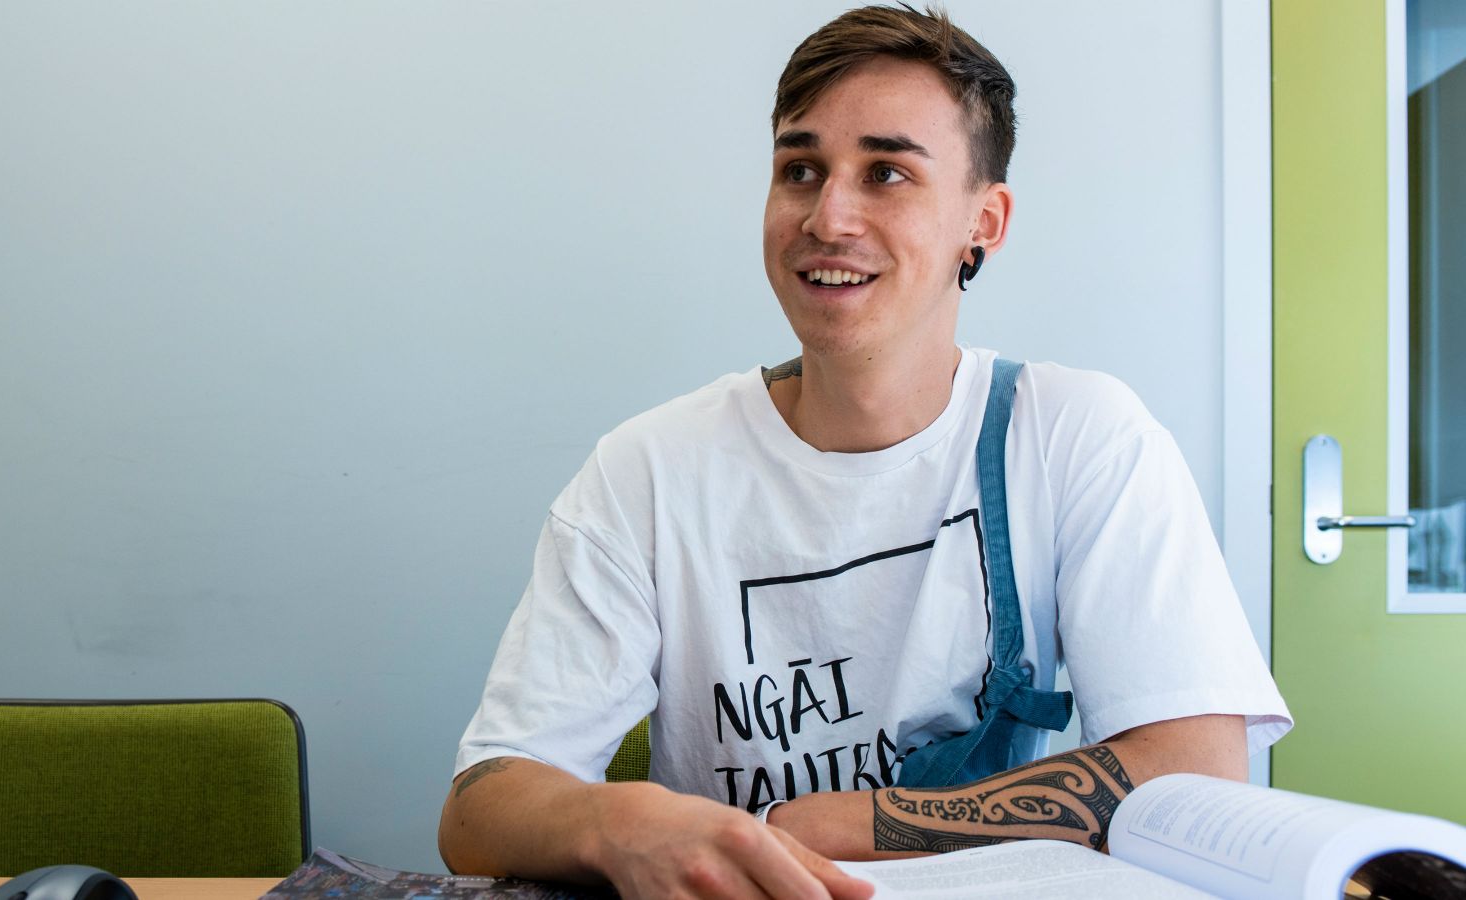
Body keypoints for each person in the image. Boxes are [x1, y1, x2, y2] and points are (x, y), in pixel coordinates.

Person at [438, 5, 1291, 898]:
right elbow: (479, 808)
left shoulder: (1076, 436)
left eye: (886, 172)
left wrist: (836, 823)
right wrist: (616, 818)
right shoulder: (647, 471)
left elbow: (1197, 772)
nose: (828, 215)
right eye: (800, 170)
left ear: (984, 222)